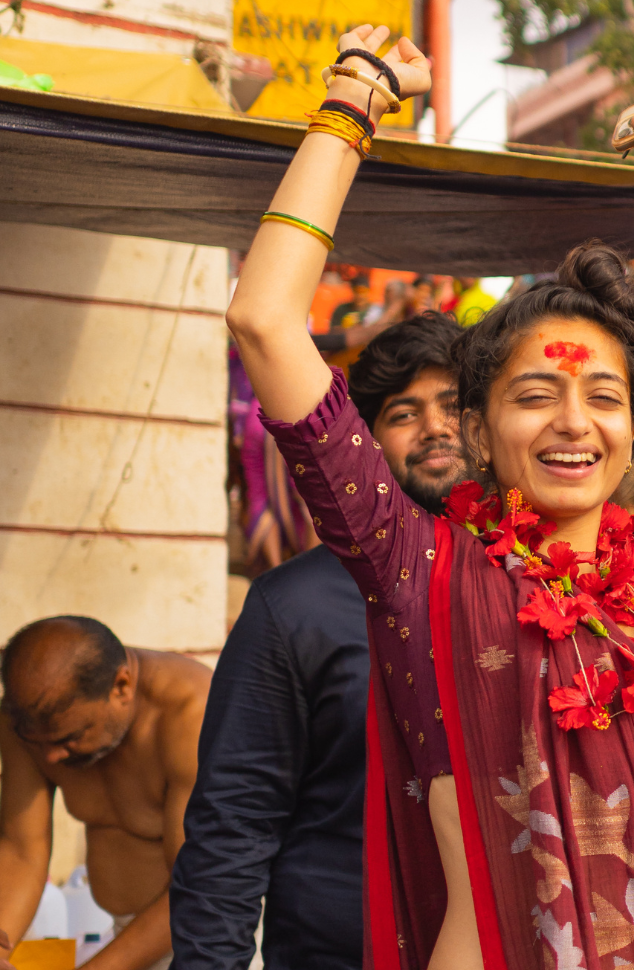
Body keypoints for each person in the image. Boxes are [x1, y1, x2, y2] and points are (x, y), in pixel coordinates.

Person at [223, 27, 634, 968]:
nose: (573, 423)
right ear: (478, 427)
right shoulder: (412, 563)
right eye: (536, 396)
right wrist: (351, 105)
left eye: (603, 398)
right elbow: (264, 318)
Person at [171, 313, 466, 970]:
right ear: (367, 443)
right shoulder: (293, 607)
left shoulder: (538, 586)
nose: (435, 427)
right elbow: (233, 825)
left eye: (454, 406)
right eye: (405, 413)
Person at [0, 617, 210, 970]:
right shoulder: (27, 720)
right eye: (39, 744)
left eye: (70, 738)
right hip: (124, 938)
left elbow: (199, 886)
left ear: (121, 687)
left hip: (205, 940)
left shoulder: (192, 714)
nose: (51, 757)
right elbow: (23, 850)